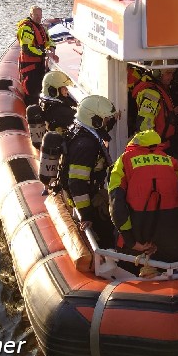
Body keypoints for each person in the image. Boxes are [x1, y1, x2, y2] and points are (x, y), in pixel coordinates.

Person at [108, 129, 178, 263]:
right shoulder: (171, 161)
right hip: (171, 235)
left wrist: (130, 241)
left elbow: (117, 205)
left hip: (139, 235)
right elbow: (175, 178)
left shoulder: (124, 160)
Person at [58, 95, 117, 248]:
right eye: (105, 119)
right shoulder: (86, 146)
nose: (108, 122)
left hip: (90, 191)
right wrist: (86, 214)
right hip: (87, 199)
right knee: (106, 233)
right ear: (95, 120)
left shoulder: (81, 129)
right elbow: (77, 183)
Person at [131, 61, 178, 152]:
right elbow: (144, 124)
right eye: (168, 73)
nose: (171, 77)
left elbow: (158, 113)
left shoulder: (158, 88)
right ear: (157, 73)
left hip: (162, 145)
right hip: (156, 148)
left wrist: (172, 112)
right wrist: (151, 148)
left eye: (172, 73)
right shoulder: (152, 94)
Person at [17, 6, 57, 106]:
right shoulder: (26, 28)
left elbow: (49, 40)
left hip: (39, 65)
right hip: (29, 67)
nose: (39, 17)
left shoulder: (41, 27)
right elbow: (27, 48)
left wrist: (52, 47)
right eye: (36, 15)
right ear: (31, 15)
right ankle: (30, 114)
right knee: (31, 93)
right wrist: (45, 53)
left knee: (40, 90)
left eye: (40, 15)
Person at [26, 70, 76, 149]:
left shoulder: (44, 101)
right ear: (53, 91)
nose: (67, 90)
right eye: (64, 88)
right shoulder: (62, 111)